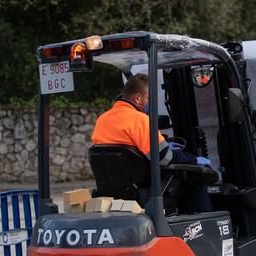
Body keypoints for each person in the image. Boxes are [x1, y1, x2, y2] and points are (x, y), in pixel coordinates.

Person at [91, 73, 213, 212]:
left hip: (118, 188)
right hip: (145, 186)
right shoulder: (140, 120)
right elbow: (165, 157)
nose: (151, 103)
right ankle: (209, 230)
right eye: (149, 98)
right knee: (199, 176)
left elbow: (125, 149)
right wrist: (194, 159)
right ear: (137, 98)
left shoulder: (102, 119)